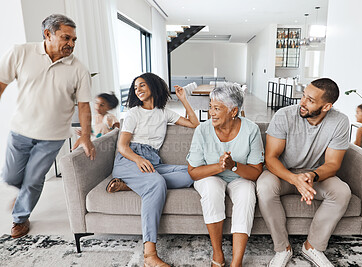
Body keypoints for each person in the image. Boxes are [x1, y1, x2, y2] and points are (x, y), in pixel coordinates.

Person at [0, 14, 95, 239]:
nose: (71, 44)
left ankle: (20, 218)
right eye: (66, 38)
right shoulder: (20, 52)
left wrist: (87, 136)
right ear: (48, 34)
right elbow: (1, 83)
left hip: (53, 136)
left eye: (74, 39)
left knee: (33, 178)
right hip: (20, 130)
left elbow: (83, 106)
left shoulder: (78, 69)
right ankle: (24, 193)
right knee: (10, 176)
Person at [257, 78, 351, 267]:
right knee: (264, 187)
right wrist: (294, 179)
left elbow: (333, 164)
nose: (302, 102)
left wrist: (312, 176)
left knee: (342, 192)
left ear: (326, 106)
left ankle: (312, 247)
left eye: (310, 100)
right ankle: (283, 248)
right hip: (281, 173)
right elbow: (271, 158)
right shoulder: (284, 115)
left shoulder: (340, 121)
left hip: (313, 175)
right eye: (303, 96)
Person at [110, 72, 199, 267]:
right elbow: (122, 146)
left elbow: (194, 124)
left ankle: (131, 185)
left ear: (153, 85)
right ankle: (149, 255)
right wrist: (138, 159)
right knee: (156, 183)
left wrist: (184, 99)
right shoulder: (134, 112)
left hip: (153, 161)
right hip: (130, 159)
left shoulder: (164, 112)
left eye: (142, 85)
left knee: (192, 173)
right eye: (135, 88)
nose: (138, 90)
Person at [187, 84, 264, 267]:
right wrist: (220, 167)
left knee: (246, 194)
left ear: (233, 111)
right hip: (209, 176)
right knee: (212, 189)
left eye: (217, 108)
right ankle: (218, 253)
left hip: (239, 178)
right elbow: (193, 172)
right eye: (210, 107)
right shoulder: (202, 130)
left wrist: (233, 166)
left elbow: (255, 172)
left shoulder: (251, 130)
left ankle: (237, 262)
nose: (210, 113)